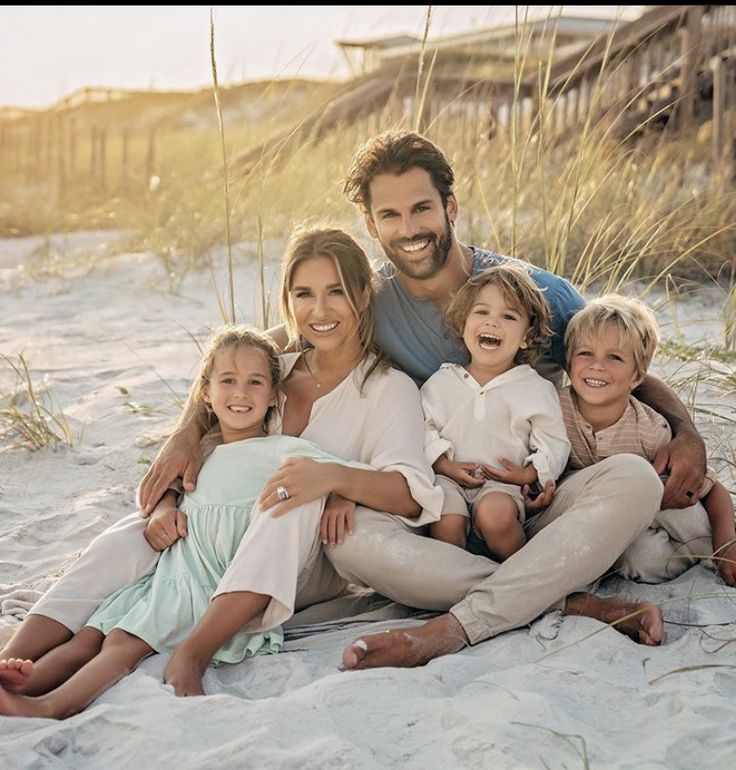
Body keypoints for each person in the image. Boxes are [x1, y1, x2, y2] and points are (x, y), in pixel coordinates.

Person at [0, 227, 442, 695]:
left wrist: (336, 480)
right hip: (216, 536)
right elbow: (213, 452)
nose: (319, 310)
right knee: (126, 538)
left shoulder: (388, 388)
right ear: (287, 301)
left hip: (304, 556)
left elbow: (410, 495)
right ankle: (13, 659)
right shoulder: (271, 372)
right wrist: (168, 500)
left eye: (336, 292)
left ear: (362, 294)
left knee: (287, 498)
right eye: (303, 294)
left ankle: (195, 651)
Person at [0, 326, 350, 718]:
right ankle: (24, 683)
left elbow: (338, 472)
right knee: (87, 639)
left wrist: (339, 498)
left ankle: (47, 707)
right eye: (228, 381)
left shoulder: (282, 449)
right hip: (168, 574)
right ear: (205, 392)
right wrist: (166, 506)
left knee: (120, 646)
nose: (240, 393)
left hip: (208, 585)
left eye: (255, 382)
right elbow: (159, 494)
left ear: (273, 396)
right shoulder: (199, 451)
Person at [559, 294, 736, 587]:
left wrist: (727, 540)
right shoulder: (554, 412)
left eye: (614, 357)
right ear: (568, 364)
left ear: (637, 377)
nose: (597, 366)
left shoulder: (650, 429)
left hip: (662, 510)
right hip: (605, 522)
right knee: (638, 560)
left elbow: (710, 488)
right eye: (585, 353)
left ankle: (718, 556)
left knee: (679, 512)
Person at [422, 264, 570, 557]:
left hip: (501, 484)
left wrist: (528, 475)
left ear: (527, 335)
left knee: (496, 516)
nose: (493, 323)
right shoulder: (442, 381)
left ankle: (517, 577)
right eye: (482, 312)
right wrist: (444, 465)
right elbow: (422, 428)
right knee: (445, 519)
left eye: (509, 316)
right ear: (463, 323)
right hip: (449, 479)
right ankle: (455, 585)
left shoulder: (536, 389)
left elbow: (554, 442)